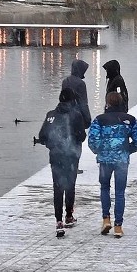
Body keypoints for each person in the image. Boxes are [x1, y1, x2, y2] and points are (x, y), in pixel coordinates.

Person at [88, 91, 137, 238]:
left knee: (105, 187)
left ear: (107, 103)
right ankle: (118, 226)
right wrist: (128, 150)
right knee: (120, 192)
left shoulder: (100, 120)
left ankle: (106, 219)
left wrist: (100, 151)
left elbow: (92, 140)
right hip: (122, 160)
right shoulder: (129, 119)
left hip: (105, 160)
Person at [37, 88, 87, 238]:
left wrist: (51, 145)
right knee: (70, 185)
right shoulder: (76, 115)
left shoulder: (51, 115)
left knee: (57, 188)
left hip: (56, 156)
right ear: (72, 101)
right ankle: (69, 216)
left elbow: (42, 136)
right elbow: (82, 136)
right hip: (71, 156)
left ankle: (58, 221)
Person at [61, 58, 91, 130]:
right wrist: (87, 118)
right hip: (77, 116)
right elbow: (83, 103)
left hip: (65, 113)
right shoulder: (81, 83)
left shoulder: (65, 81)